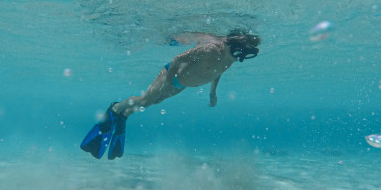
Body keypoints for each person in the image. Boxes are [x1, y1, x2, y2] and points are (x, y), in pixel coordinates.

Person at [80, 29, 261, 159]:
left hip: (182, 84)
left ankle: (124, 115)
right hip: (171, 77)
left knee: (153, 102)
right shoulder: (209, 49)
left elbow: (217, 72)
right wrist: (167, 83)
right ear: (234, 46)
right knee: (145, 99)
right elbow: (177, 59)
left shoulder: (230, 60)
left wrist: (213, 93)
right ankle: (115, 108)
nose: (238, 58)